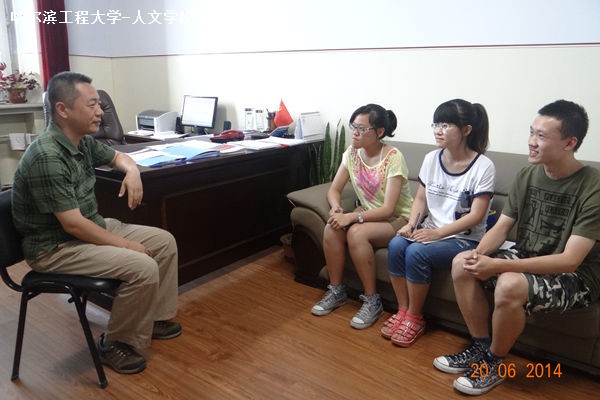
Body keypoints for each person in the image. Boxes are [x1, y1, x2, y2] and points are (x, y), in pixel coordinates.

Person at [11, 71, 181, 375]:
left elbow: (119, 157)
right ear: (63, 110)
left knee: (163, 242)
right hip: (55, 247)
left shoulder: (81, 142)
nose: (100, 111)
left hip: (88, 229)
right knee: (142, 265)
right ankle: (114, 343)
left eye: (98, 104)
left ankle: (151, 318)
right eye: (92, 105)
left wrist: (133, 172)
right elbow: (73, 225)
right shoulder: (47, 156)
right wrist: (127, 245)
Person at [434, 99, 600, 395]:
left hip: (577, 278)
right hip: (529, 256)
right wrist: (478, 255)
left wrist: (498, 265)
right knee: (462, 262)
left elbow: (570, 260)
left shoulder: (593, 186)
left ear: (569, 143)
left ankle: (495, 362)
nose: (531, 142)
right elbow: (501, 227)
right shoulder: (527, 175)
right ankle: (481, 346)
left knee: (509, 283)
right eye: (531, 132)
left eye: (541, 136)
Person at [383, 99, 495, 347]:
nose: (438, 130)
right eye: (436, 124)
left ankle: (415, 317)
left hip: (464, 238)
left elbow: (476, 216)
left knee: (416, 252)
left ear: (466, 130)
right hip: (431, 230)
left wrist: (437, 234)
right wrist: (412, 224)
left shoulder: (483, 166)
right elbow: (420, 198)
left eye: (446, 125)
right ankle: (403, 310)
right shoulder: (431, 158)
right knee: (396, 244)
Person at [310, 103, 413, 329]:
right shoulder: (351, 153)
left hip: (399, 220)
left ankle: (372, 300)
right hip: (369, 215)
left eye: (361, 129)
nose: (355, 133)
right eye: (353, 126)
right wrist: (337, 209)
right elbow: (334, 190)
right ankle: (336, 290)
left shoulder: (393, 157)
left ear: (379, 132)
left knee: (356, 233)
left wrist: (352, 218)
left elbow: (388, 209)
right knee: (332, 227)